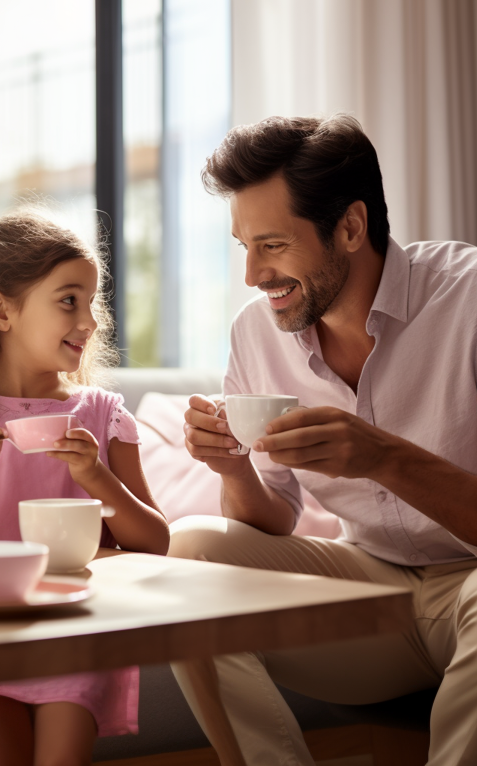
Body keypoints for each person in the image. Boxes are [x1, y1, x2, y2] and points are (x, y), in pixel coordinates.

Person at [170, 113, 477, 766]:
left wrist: (382, 456)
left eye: (273, 245)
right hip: (371, 596)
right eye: (243, 247)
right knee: (191, 551)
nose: (252, 274)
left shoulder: (468, 299)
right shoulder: (257, 334)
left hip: (470, 583)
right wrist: (232, 468)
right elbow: (275, 517)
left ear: (350, 227)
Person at [0, 208, 170, 766]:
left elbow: (156, 540)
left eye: (91, 302)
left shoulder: (103, 415)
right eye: (68, 300)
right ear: (1, 310)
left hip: (76, 627)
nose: (90, 321)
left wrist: (95, 475)